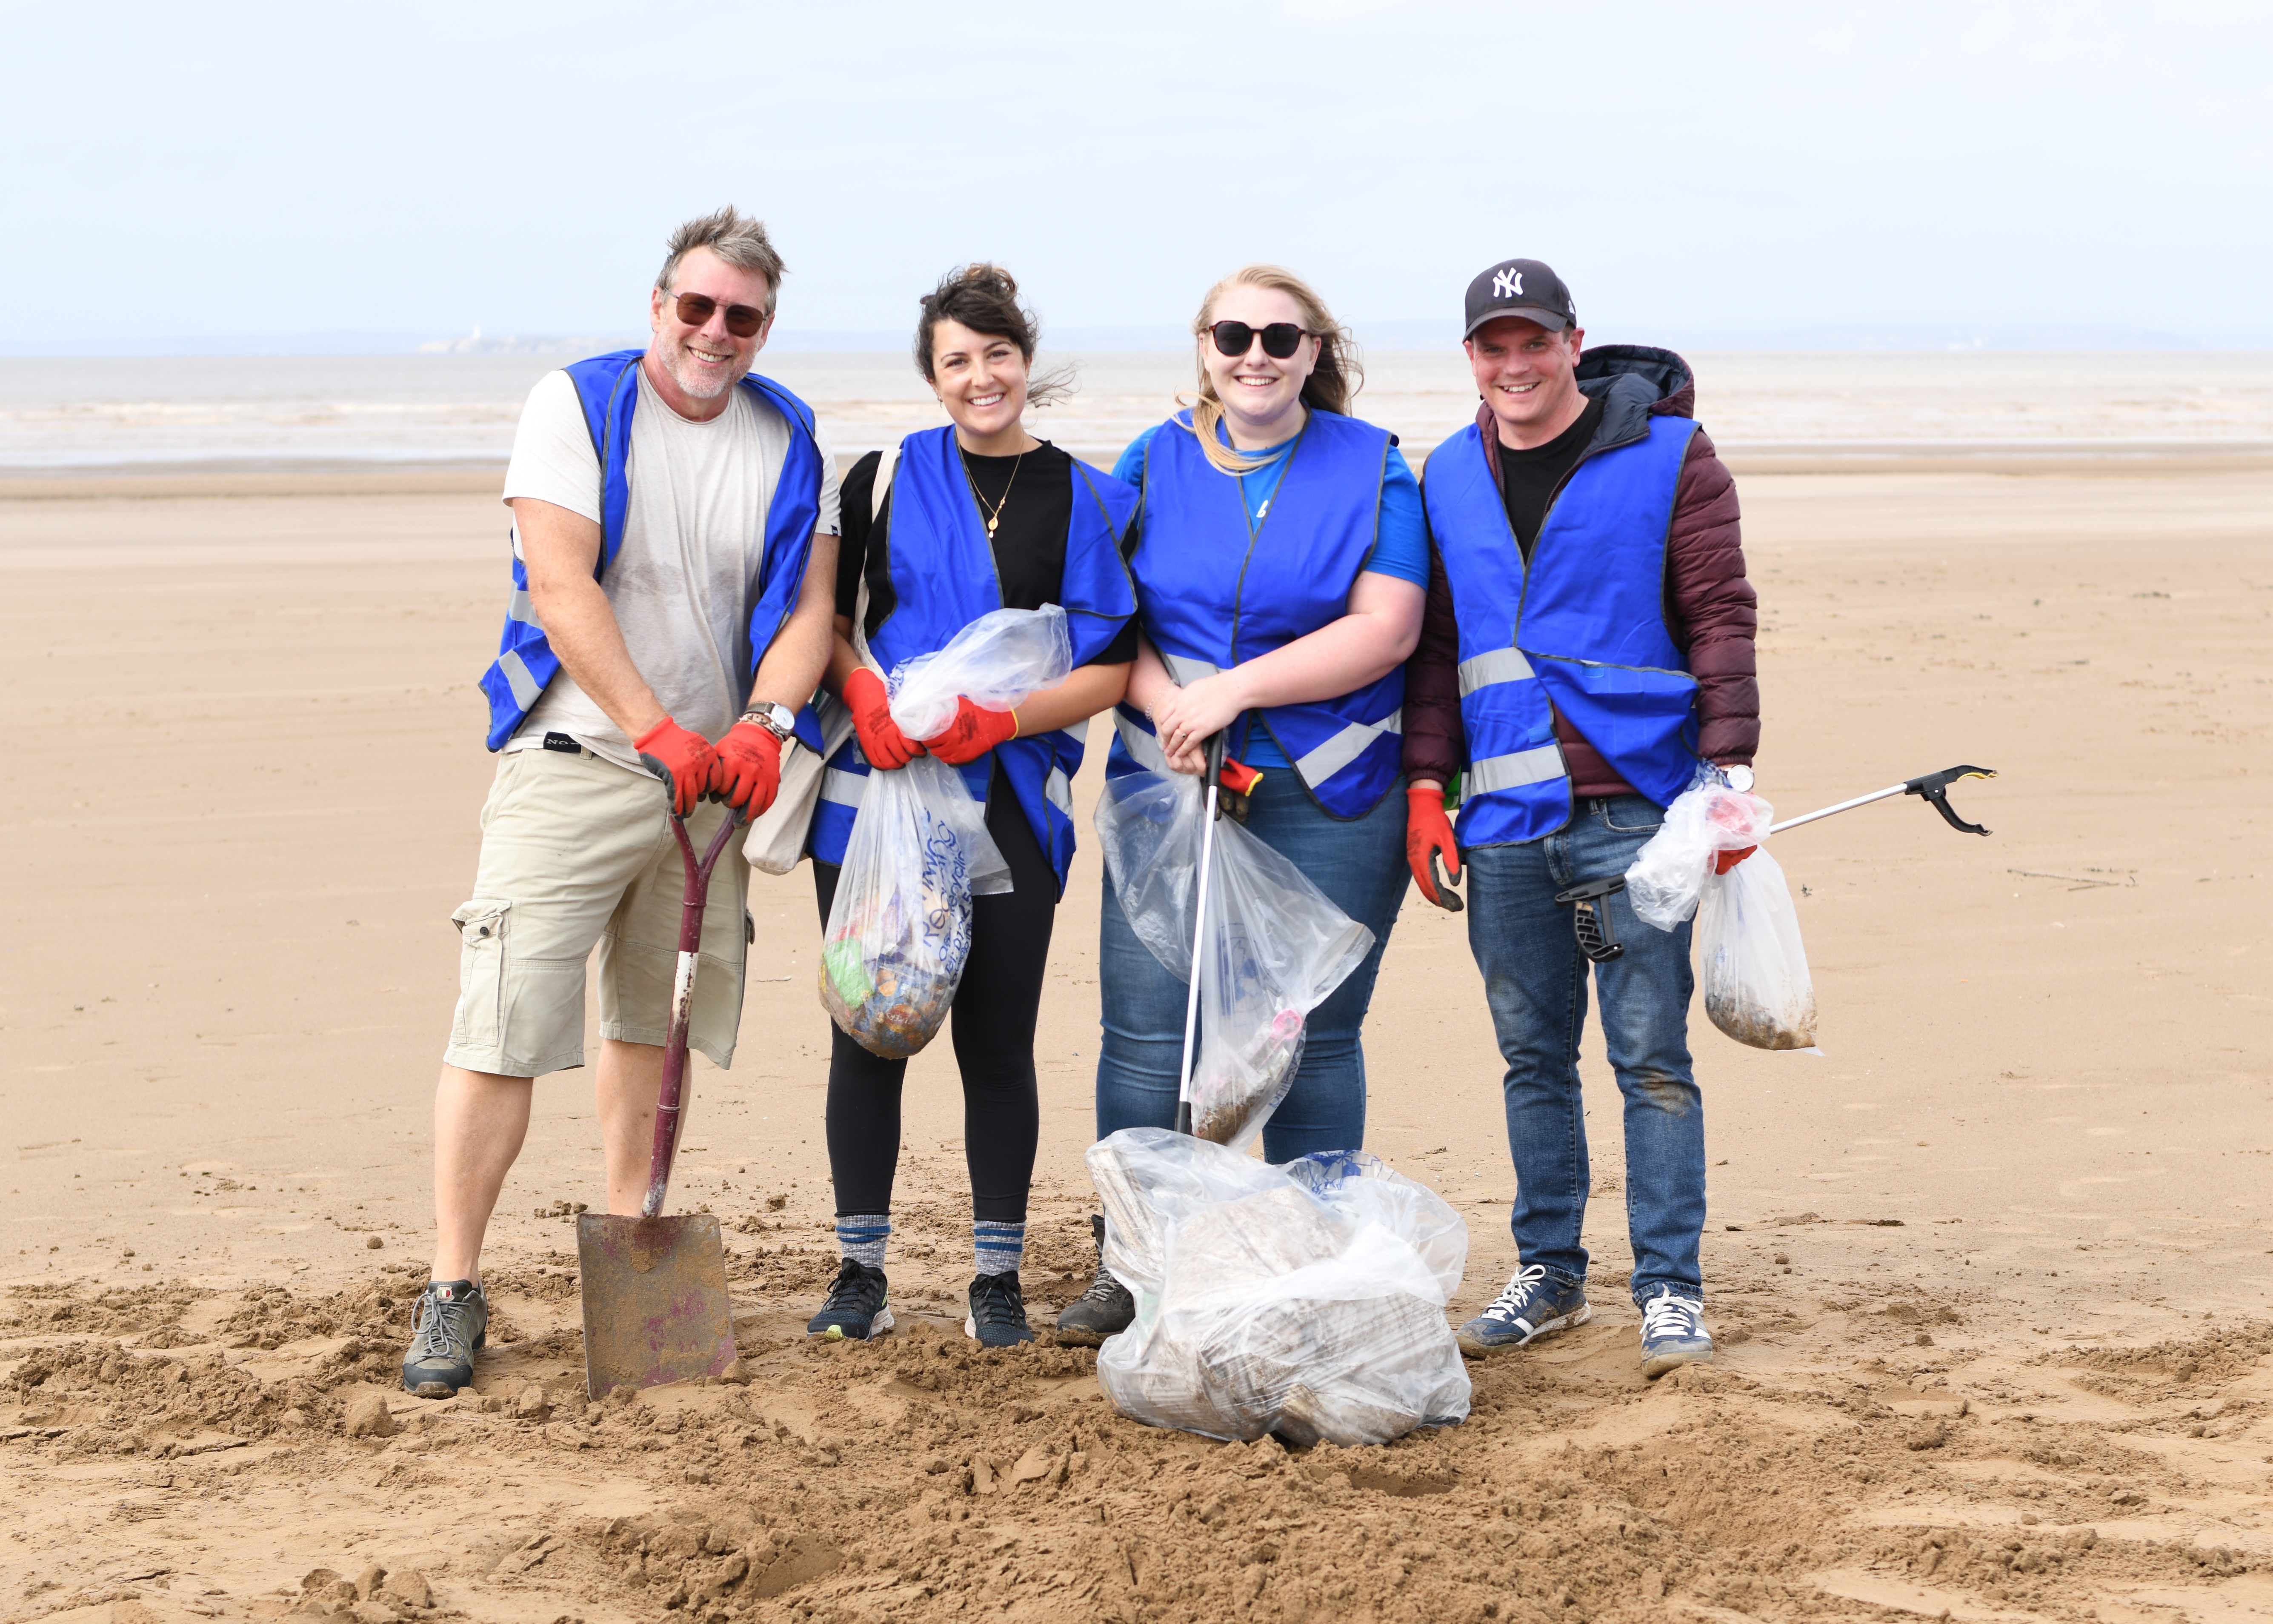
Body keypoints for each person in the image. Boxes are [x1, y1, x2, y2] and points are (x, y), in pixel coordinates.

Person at [400, 207, 842, 1394]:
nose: (714, 331)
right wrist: (655, 729)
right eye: (694, 307)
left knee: (655, 1031)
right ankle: (452, 1286)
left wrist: (764, 724)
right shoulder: (575, 404)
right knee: (502, 1025)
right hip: (577, 763)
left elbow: (809, 608)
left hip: (710, 795)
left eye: (740, 316)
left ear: (762, 329)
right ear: (659, 307)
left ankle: (632, 1251)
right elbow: (558, 581)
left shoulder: (789, 432)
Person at [1056, 265, 1427, 1344]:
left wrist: (1237, 689)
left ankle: (1312, 1258)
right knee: (1145, 1033)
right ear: (1203, 347)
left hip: (1331, 787)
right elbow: (1104, 613)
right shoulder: (1152, 459)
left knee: (1307, 1030)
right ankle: (1134, 1263)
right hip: (1165, 787)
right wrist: (1173, 704)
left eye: (1280, 337)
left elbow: (1389, 626)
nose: (1254, 355)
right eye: (1234, 336)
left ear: (1317, 350)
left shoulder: (1375, 468)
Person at [1401, 258, 1758, 1378]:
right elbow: (1438, 645)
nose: (1513, 364)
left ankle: (1666, 1290)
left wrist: (1728, 770)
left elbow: (1716, 611)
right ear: (1470, 357)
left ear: (1571, 342)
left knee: (1647, 1056)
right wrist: (1425, 784)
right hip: (1508, 830)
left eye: (1532, 341)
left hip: (1627, 823)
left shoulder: (1668, 455)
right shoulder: (1447, 474)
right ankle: (1549, 1275)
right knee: (1532, 1057)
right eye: (1490, 345)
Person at [802, 265, 1139, 1349]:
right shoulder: (883, 480)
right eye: (957, 360)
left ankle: (994, 1276)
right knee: (871, 1035)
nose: (980, 377)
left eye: (997, 355)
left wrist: (1002, 721)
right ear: (932, 375)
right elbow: (828, 621)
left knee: (996, 1047)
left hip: (1009, 802)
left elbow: (1114, 665)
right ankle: (861, 1272)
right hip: (880, 799)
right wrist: (861, 692)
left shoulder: (1084, 497)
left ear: (1025, 363)